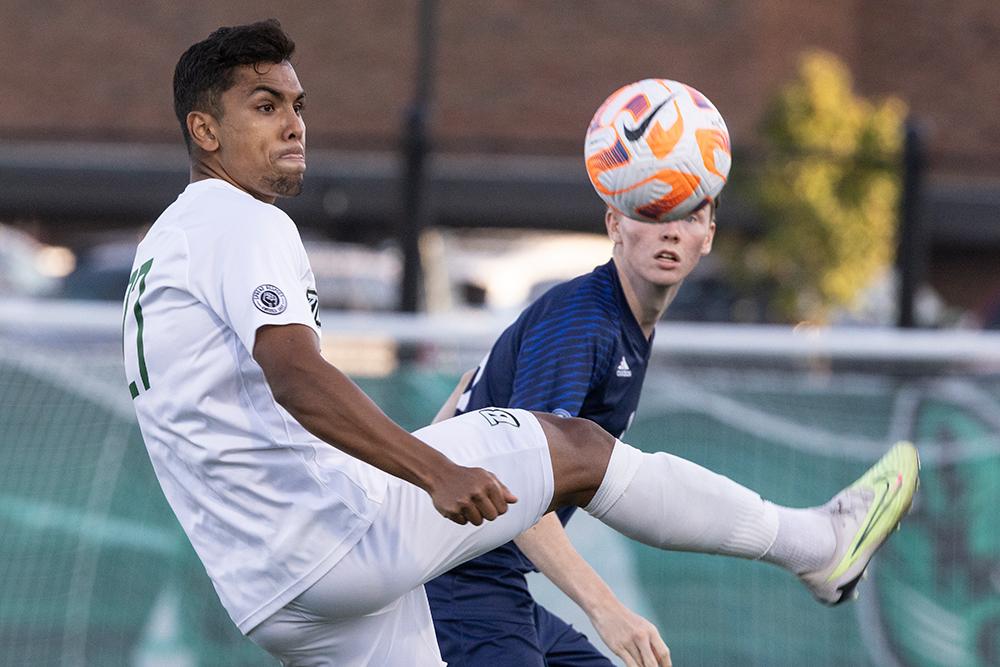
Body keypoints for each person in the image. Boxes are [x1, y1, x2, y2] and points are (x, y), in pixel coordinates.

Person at [122, 20, 919, 667]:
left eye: (298, 103)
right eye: (265, 106)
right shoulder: (241, 218)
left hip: (268, 594)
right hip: (333, 545)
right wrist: (434, 467)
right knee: (572, 443)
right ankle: (816, 544)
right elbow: (296, 376)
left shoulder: (164, 246)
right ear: (205, 131)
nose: (294, 122)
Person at [424, 197, 716, 666]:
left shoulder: (625, 324)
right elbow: (519, 481)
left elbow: (466, 392)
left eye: (690, 217)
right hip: (460, 576)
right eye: (652, 213)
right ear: (614, 224)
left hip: (488, 576)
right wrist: (609, 611)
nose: (672, 231)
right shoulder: (582, 319)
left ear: (709, 236)